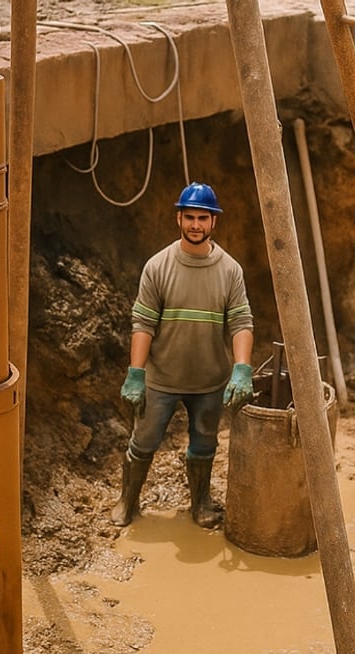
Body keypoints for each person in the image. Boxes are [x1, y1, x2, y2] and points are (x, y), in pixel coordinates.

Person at [108, 182, 255, 529]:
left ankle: (201, 503)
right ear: (178, 219)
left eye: (202, 218)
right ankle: (127, 501)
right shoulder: (158, 267)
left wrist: (242, 369)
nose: (195, 225)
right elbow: (143, 323)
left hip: (208, 381)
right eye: (189, 217)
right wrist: (136, 373)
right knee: (143, 441)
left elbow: (241, 322)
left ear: (213, 222)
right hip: (162, 379)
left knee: (204, 443)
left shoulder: (230, 270)